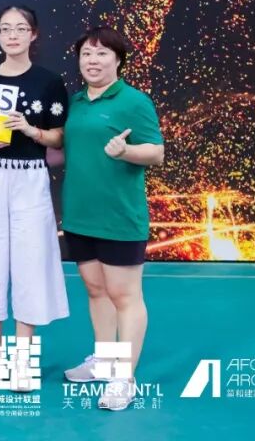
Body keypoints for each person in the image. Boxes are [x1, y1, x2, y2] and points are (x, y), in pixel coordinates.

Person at [0, 6, 70, 391]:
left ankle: (23, 361)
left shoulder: (49, 81)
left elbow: (59, 136)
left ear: (33, 34)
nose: (12, 35)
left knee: (31, 263)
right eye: (5, 29)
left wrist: (31, 130)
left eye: (20, 29)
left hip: (30, 178)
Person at [61, 26, 164, 412]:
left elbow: (156, 153)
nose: (93, 60)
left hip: (120, 217)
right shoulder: (76, 102)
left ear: (118, 60)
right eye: (86, 54)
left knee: (125, 296)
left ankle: (124, 378)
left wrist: (126, 153)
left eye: (102, 53)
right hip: (80, 216)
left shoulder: (134, 101)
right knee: (96, 291)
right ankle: (104, 361)